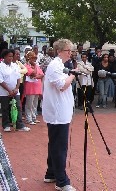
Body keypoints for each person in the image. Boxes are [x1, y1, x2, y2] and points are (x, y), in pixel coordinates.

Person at [42, 39, 76, 191]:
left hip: (60, 111)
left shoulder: (60, 65)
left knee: (54, 144)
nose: (70, 53)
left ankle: (51, 173)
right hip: (58, 113)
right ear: (59, 51)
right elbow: (62, 85)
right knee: (60, 147)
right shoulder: (55, 65)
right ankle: (61, 181)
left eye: (71, 50)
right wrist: (73, 75)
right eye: (68, 50)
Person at [0, 49, 30, 132]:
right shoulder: (0, 66)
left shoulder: (15, 65)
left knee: (18, 107)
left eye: (12, 56)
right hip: (4, 92)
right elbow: (1, 81)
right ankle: (6, 125)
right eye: (9, 56)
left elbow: (18, 78)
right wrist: (9, 90)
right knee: (5, 108)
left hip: (15, 91)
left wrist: (16, 88)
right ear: (4, 56)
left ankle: (19, 125)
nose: (11, 58)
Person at [24, 51, 44, 125]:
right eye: (32, 58)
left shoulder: (37, 66)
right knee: (29, 104)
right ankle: (28, 118)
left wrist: (36, 76)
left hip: (37, 87)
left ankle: (33, 117)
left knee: (35, 104)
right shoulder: (26, 66)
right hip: (30, 87)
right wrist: (35, 73)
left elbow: (42, 75)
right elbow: (33, 73)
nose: (34, 59)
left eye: (35, 58)